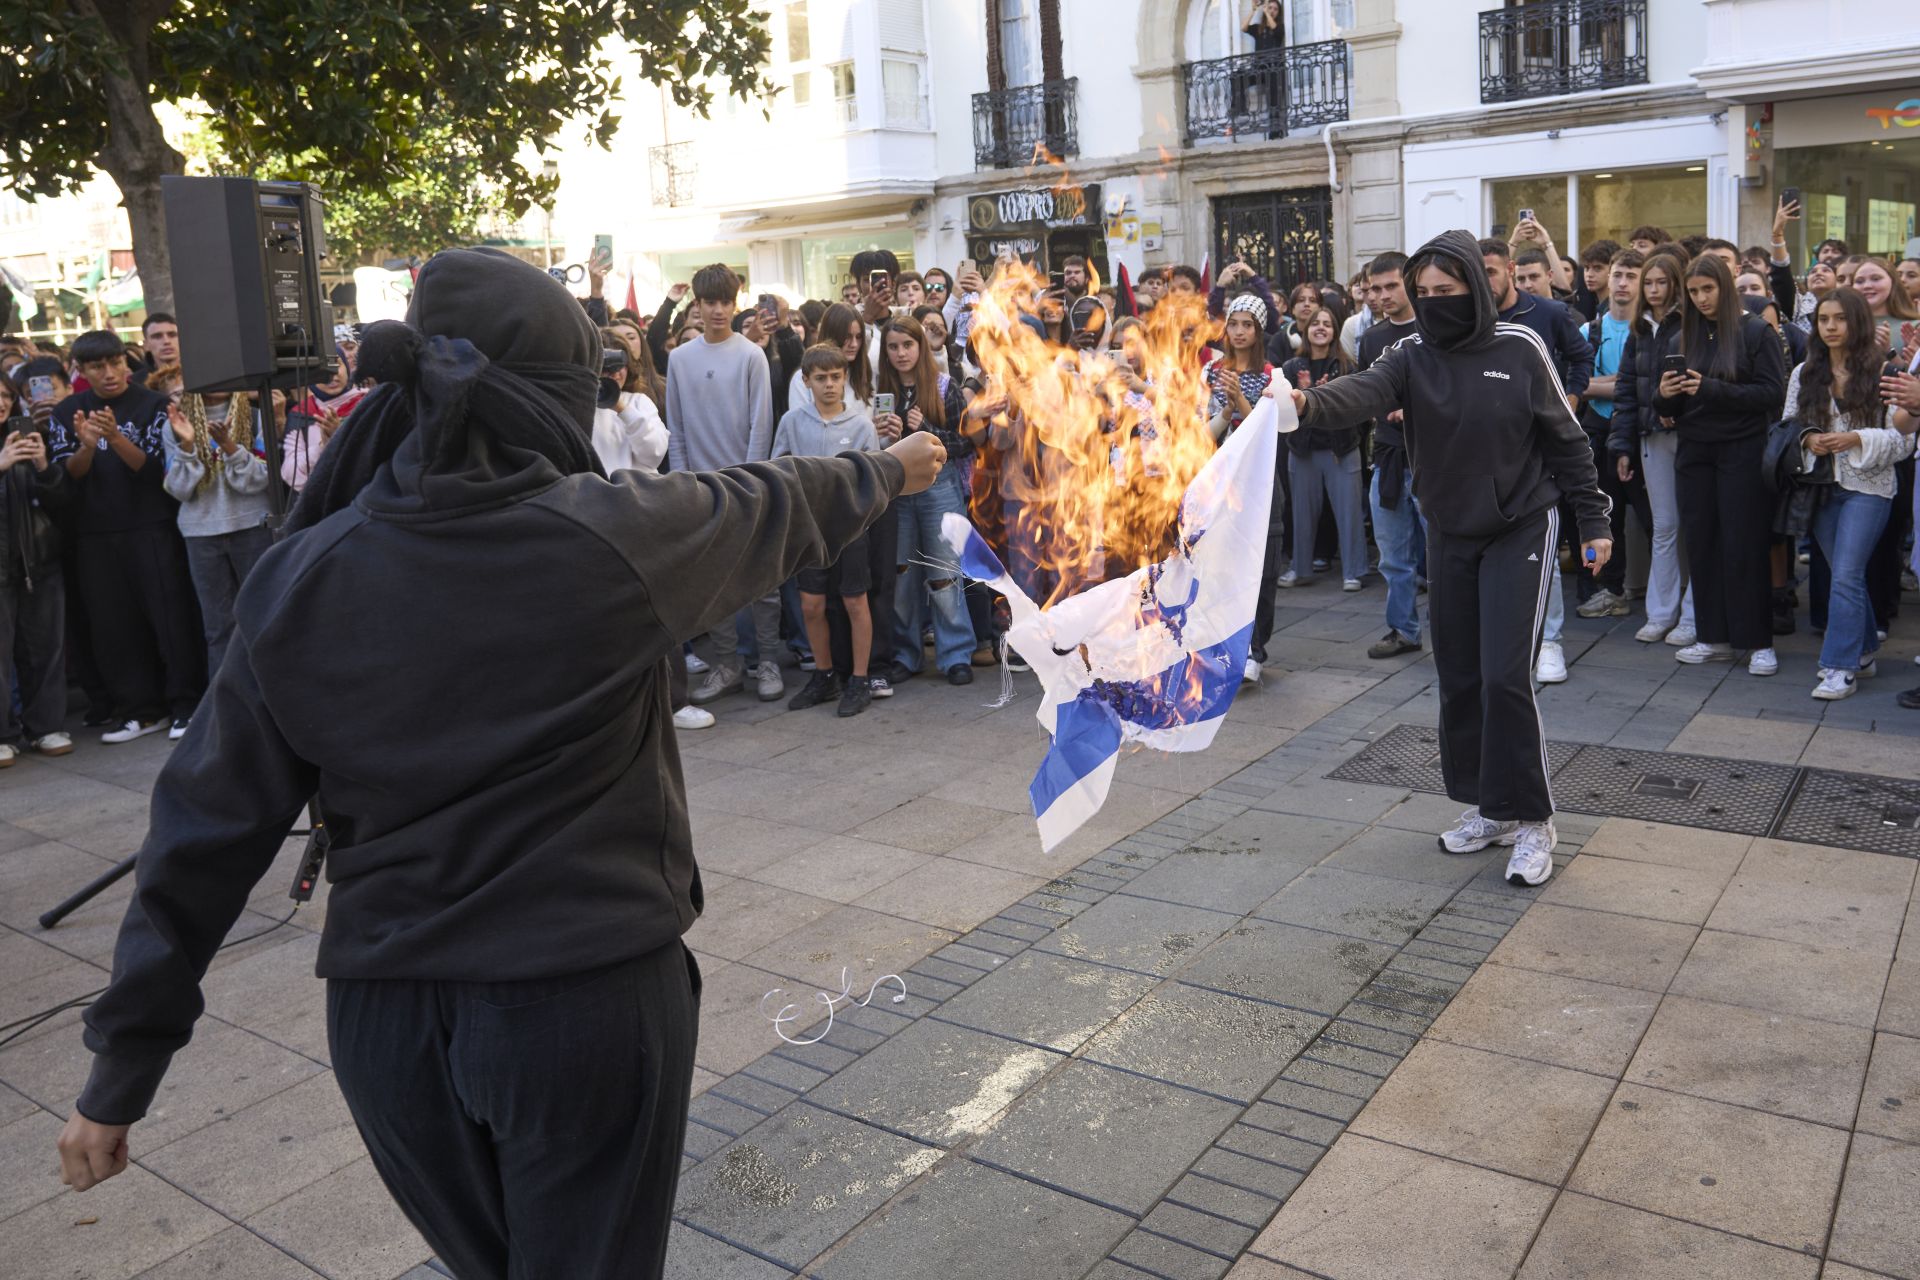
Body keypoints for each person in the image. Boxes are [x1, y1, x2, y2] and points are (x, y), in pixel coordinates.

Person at [56, 247, 947, 1280]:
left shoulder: (303, 573)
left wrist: (121, 1068)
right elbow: (775, 502)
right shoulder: (614, 538)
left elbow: (203, 828)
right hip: (581, 1005)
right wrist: (889, 468)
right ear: (553, 403)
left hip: (388, 1026)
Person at [1281, 229, 1612, 889]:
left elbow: (1568, 439)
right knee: (1459, 676)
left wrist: (1594, 518)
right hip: (1449, 530)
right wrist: (1305, 402)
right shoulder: (1408, 354)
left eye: (1447, 291)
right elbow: (1365, 392)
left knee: (1504, 679)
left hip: (1521, 525)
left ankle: (1534, 820)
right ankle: (1488, 808)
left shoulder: (1519, 348)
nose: (1434, 303)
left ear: (1475, 288)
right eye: (1423, 293)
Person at [45, 330, 205, 742]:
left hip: (152, 526)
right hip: (95, 535)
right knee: (114, 625)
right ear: (81, 371)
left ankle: (185, 705)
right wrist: (87, 445)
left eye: (116, 362)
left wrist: (115, 439)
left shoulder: (154, 406)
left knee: (171, 619)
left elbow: (158, 472)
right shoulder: (67, 412)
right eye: (98, 366)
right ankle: (139, 710)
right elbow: (66, 478)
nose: (110, 373)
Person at [1652, 254, 1788, 675]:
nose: (1701, 298)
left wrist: (1710, 389)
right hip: (1695, 450)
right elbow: (1666, 407)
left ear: (1724, 288)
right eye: (1693, 292)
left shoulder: (1754, 331)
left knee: (1743, 544)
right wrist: (1664, 393)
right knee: (1703, 544)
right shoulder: (1682, 337)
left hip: (1742, 449)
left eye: (1707, 289)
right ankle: (1713, 636)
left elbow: (1771, 395)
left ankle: (1758, 642)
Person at [665, 263, 784, 706]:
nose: (717, 311)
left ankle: (768, 660)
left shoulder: (751, 355)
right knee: (713, 581)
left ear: (737, 304)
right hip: (700, 488)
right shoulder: (679, 359)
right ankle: (727, 663)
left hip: (748, 484)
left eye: (725, 302)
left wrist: (751, 480)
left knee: (763, 580)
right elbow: (674, 426)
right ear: (696, 305)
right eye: (709, 302)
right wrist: (685, 482)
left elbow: (761, 424)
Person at [1789, 289, 1914, 700]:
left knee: (1844, 574)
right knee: (1848, 574)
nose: (1830, 326)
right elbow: (1788, 427)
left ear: (1856, 321)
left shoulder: (1884, 372)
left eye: (1840, 318)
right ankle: (1863, 652)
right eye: (1824, 319)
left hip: (1870, 486)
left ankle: (1838, 666)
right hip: (1820, 486)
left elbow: (1903, 443)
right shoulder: (1804, 373)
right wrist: (1810, 441)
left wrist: (1855, 438)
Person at [876, 315, 978, 686]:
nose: (901, 353)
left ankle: (956, 654)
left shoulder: (942, 385)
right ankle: (906, 653)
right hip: (896, 487)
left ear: (920, 347)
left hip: (939, 487)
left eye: (907, 345)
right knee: (902, 573)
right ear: (885, 352)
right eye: (893, 346)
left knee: (944, 572)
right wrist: (878, 434)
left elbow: (964, 442)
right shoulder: (880, 389)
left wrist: (926, 431)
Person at [162, 384, 274, 711]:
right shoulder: (175, 420)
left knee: (261, 617)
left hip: (252, 525)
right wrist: (186, 444)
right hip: (201, 533)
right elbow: (179, 489)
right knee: (218, 627)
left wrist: (230, 446)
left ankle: (270, 701)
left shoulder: (254, 414)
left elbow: (259, 479)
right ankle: (229, 710)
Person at [1612, 247, 1697, 646]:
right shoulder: (1638, 329)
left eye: (1663, 282)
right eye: (1650, 282)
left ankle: (1693, 617)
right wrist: (1622, 446)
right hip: (1650, 436)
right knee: (1664, 526)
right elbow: (1627, 390)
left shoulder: (1692, 323)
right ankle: (1661, 613)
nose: (1655, 289)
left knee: (1696, 525)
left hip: (1691, 435)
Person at [1358, 252, 1425, 660]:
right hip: (1387, 456)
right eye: (1375, 288)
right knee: (1393, 557)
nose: (1382, 295)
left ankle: (1459, 632)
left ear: (1410, 282)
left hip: (1433, 459)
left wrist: (1414, 408)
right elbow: (1367, 392)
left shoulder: (1434, 331)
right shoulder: (1370, 339)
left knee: (1444, 554)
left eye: (1390, 286)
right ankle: (1403, 629)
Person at [0, 376, 71, 764]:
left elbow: (63, 502)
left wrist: (43, 465)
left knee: (46, 648)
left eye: (5, 396)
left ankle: (46, 726)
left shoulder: (34, 435)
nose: (0, 403)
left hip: (39, 557)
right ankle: (3, 733)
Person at [1573, 249, 1643, 621]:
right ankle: (1610, 589)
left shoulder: (1649, 329)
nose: (1622, 283)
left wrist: (1616, 384)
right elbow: (1574, 382)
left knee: (1653, 521)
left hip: (1638, 433)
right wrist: (1618, 384)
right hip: (1599, 432)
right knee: (1605, 517)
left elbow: (1639, 389)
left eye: (1632, 276)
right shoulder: (1590, 330)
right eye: (1618, 274)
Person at [1279, 304, 1368, 598]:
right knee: (1301, 513)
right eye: (1316, 323)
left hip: (1339, 450)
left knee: (1349, 513)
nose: (1320, 328)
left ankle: (1354, 571)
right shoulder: (1292, 368)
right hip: (1302, 450)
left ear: (1335, 331)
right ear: (1306, 329)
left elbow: (1357, 407)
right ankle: (1300, 568)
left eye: (1327, 324)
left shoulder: (1346, 366)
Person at [590, 329, 670, 475]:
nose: (614, 373)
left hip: (638, 493)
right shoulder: (581, 406)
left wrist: (623, 409)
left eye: (619, 365)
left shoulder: (639, 402)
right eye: (605, 367)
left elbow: (653, 456)